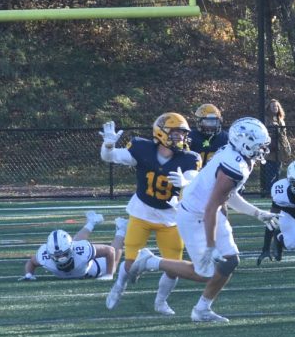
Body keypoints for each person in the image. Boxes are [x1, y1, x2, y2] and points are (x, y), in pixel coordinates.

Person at [125, 117, 280, 323]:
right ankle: (151, 261)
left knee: (229, 261)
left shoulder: (238, 158)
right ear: (244, 141)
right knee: (205, 273)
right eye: (259, 143)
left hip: (207, 210)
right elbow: (211, 207)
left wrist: (257, 213)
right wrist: (210, 245)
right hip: (194, 215)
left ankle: (202, 310)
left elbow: (228, 196)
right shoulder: (232, 165)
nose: (262, 148)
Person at [99, 112, 202, 314]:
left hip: (170, 217)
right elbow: (109, 157)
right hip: (142, 212)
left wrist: (186, 184)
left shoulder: (190, 158)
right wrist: (109, 145)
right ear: (161, 134)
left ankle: (161, 301)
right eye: (176, 134)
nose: (180, 138)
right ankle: (119, 286)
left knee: (174, 267)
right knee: (130, 263)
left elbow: (193, 179)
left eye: (182, 134)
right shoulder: (142, 148)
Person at [19, 210, 121, 281]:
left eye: (64, 254)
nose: (61, 259)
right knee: (77, 241)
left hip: (92, 268)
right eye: (57, 256)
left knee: (113, 266)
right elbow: (31, 262)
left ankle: (121, 230)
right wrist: (29, 274)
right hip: (78, 260)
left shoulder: (82, 251)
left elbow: (110, 250)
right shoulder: (44, 255)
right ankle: (92, 221)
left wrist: (109, 274)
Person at [260, 99, 292, 197]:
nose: (275, 108)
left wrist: (286, 147)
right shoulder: (266, 119)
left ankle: (275, 191)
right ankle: (268, 192)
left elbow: (283, 135)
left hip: (280, 150)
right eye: (273, 106)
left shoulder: (281, 120)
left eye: (276, 106)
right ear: (269, 108)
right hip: (271, 150)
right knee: (270, 172)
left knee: (278, 172)